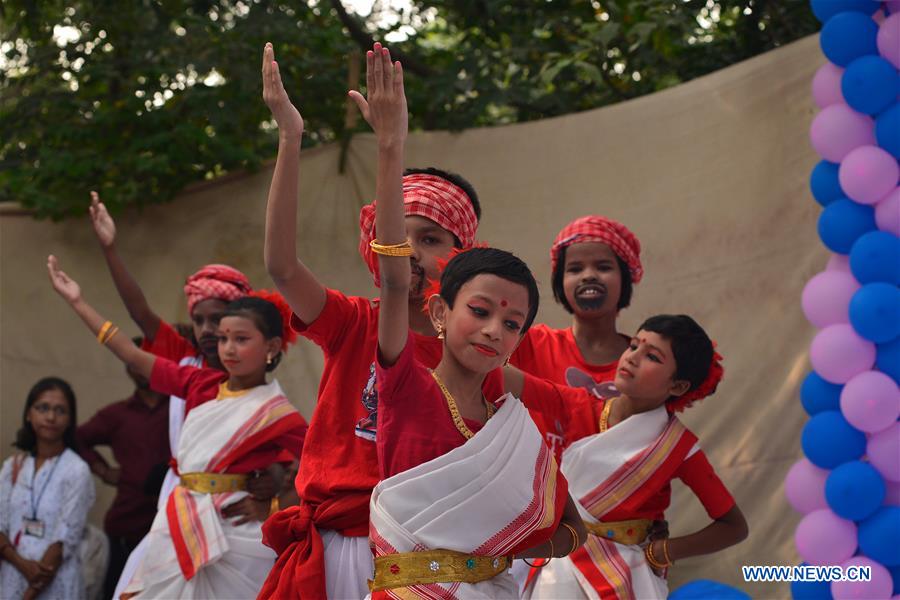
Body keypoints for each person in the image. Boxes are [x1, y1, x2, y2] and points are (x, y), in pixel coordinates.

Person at [258, 41, 483, 599]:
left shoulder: (477, 353)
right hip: (336, 550)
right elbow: (281, 265)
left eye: (429, 239)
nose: (409, 251)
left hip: (426, 556)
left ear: (463, 255)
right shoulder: (352, 322)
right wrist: (290, 137)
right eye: (397, 235)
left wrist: (392, 145)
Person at [46, 256, 308, 599]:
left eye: (240, 339)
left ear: (272, 347)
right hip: (179, 516)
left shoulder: (278, 411)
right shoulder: (197, 381)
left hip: (237, 535)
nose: (227, 347)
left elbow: (317, 466)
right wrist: (78, 302)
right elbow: (129, 352)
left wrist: (273, 505)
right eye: (224, 338)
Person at [523, 315, 749, 599]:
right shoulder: (578, 405)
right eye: (633, 346)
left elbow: (734, 527)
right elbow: (513, 383)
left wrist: (664, 551)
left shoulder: (677, 447)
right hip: (560, 564)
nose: (632, 357)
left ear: (678, 386)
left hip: (627, 574)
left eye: (652, 356)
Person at [511, 215, 643, 457]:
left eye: (603, 267)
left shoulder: (647, 362)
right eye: (575, 268)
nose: (588, 276)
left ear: (625, 279)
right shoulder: (529, 344)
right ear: (560, 283)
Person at [75, 337, 170, 599]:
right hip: (127, 526)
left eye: (146, 359)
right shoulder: (117, 415)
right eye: (134, 361)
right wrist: (103, 470)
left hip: (170, 525)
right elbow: (77, 438)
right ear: (127, 367)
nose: (141, 367)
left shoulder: (179, 406)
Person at [0, 377, 95, 600]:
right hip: (12, 577)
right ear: (28, 414)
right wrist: (21, 564)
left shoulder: (76, 470)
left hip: (55, 583)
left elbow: (64, 540)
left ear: (70, 419)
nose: (51, 417)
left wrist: (29, 593)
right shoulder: (13, 466)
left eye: (60, 410)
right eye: (43, 408)